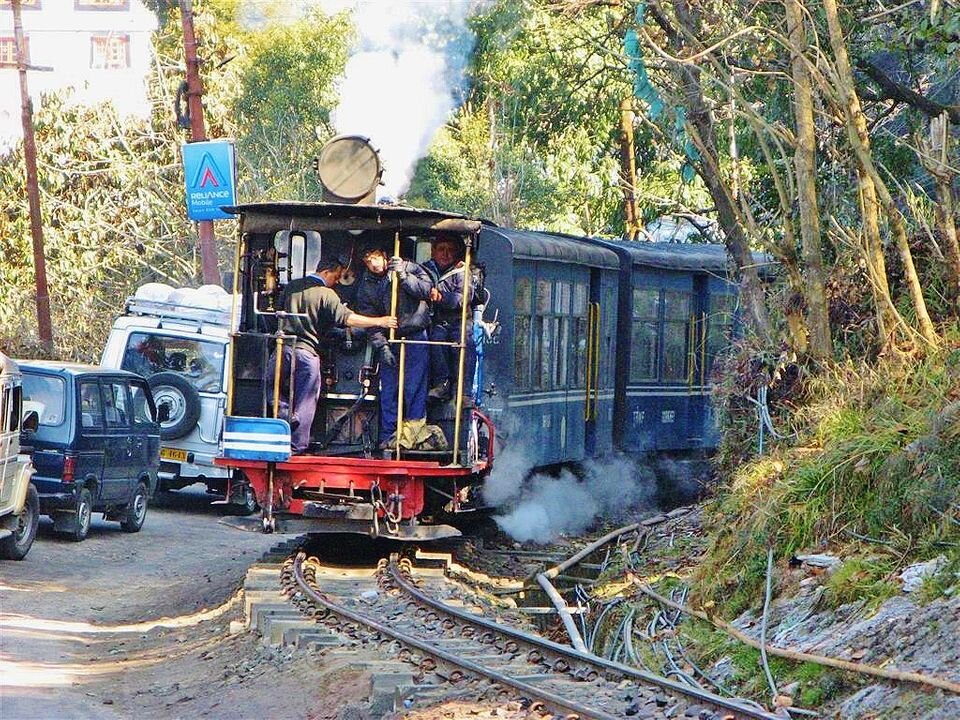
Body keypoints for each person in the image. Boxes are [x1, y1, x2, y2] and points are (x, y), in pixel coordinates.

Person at [275, 256, 396, 454]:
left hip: (283, 348)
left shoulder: (292, 287)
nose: (337, 282)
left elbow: (277, 314)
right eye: (337, 277)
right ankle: (296, 446)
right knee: (307, 399)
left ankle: (282, 423)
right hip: (306, 352)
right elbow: (348, 318)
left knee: (273, 390)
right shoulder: (326, 293)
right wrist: (379, 321)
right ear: (326, 273)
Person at [356, 246, 433, 448]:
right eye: (367, 260)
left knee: (413, 387)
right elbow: (371, 320)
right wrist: (382, 347)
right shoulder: (366, 286)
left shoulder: (412, 268)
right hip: (389, 340)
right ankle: (389, 437)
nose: (372, 264)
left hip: (416, 336)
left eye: (374, 257)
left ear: (383, 255)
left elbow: (427, 291)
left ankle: (413, 436)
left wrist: (404, 275)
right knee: (388, 390)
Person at [423, 235, 476, 402]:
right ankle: (442, 384)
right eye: (441, 249)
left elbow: (462, 298)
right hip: (438, 321)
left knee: (464, 340)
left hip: (459, 320)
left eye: (450, 250)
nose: (445, 254)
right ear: (433, 251)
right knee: (435, 339)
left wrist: (441, 297)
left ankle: (464, 390)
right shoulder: (425, 270)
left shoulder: (462, 271)